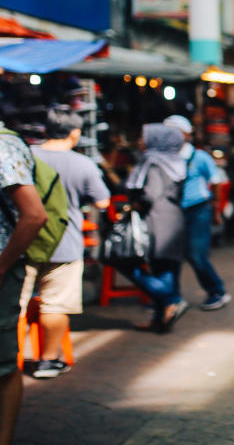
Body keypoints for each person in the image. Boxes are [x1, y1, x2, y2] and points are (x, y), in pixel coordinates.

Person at [21, 111, 110, 379]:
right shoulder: (82, 164)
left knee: (15, 305)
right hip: (64, 243)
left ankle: (8, 358)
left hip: (22, 241)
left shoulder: (25, 157)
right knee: (55, 305)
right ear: (74, 133)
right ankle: (48, 361)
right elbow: (102, 202)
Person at [0, 126, 47, 444]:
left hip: (2, 271)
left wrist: (1, 266)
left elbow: (34, 216)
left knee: (2, 364)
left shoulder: (3, 147)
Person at [120, 124, 189, 332]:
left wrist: (135, 203)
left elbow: (150, 194)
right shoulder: (175, 162)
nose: (140, 141)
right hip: (173, 219)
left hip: (158, 221)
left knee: (147, 268)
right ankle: (161, 320)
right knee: (166, 271)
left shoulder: (154, 164)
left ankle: (172, 301)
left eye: (144, 137)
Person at [163, 116, 231, 310]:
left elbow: (216, 181)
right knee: (170, 255)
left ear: (187, 135)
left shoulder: (199, 157)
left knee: (196, 254)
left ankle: (216, 290)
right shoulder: (163, 157)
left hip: (198, 209)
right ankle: (171, 297)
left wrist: (217, 208)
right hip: (172, 211)